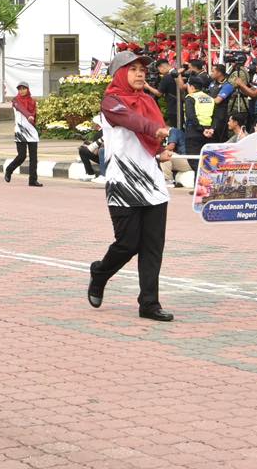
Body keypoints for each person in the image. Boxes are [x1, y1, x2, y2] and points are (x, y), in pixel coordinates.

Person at [86, 50, 176, 322]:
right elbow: (131, 121)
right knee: (127, 244)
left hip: (152, 182)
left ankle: (149, 303)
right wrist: (154, 130)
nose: (139, 74)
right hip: (122, 182)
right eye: (133, 69)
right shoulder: (111, 102)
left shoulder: (148, 100)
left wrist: (161, 150)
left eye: (142, 70)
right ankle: (100, 273)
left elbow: (149, 140)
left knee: (152, 246)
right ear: (119, 73)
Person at [5, 82, 41, 186]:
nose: (22, 91)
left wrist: (34, 124)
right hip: (20, 131)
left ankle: (33, 180)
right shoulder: (15, 100)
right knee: (22, 156)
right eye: (20, 89)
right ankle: (9, 170)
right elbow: (22, 109)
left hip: (31, 131)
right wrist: (29, 116)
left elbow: (35, 115)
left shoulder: (32, 101)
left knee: (34, 158)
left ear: (28, 89)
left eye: (24, 88)